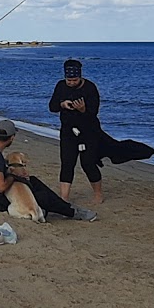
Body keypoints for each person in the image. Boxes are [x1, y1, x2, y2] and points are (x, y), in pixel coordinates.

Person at [0, 120, 96, 220]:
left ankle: (64, 207)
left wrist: (16, 174)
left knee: (33, 181)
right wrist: (13, 175)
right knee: (43, 197)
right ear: (11, 138)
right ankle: (71, 212)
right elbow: (0, 187)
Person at [49, 58, 104, 204]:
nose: (71, 83)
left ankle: (98, 194)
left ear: (80, 77)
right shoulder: (60, 86)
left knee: (88, 163)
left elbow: (94, 112)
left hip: (88, 131)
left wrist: (83, 109)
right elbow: (52, 106)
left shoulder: (90, 88)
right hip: (68, 131)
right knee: (67, 163)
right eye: (69, 80)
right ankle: (64, 197)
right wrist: (62, 104)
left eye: (74, 80)